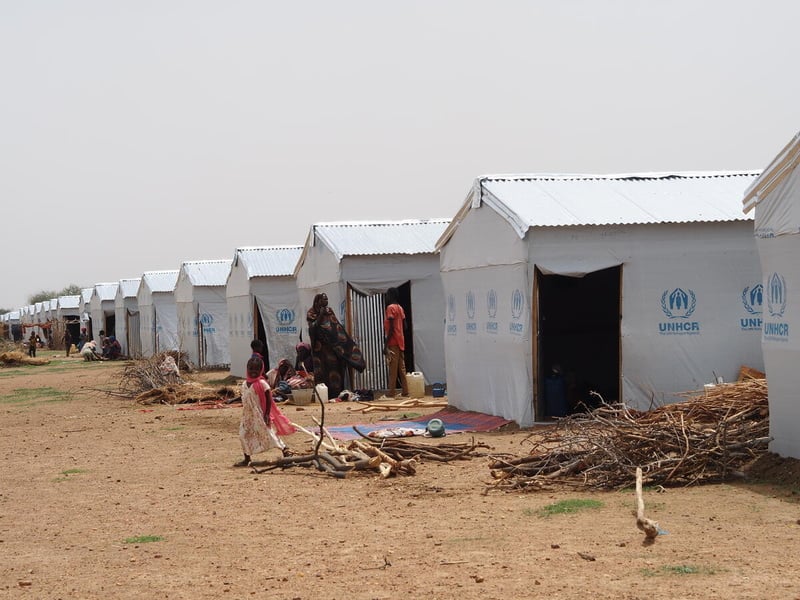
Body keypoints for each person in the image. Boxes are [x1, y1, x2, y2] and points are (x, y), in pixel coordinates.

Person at [235, 355, 294, 467]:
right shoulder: (244, 384)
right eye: (251, 369)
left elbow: (269, 399)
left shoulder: (262, 384)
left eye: (256, 369)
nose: (253, 372)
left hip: (260, 414)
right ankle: (247, 457)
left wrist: (267, 414)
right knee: (243, 435)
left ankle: (285, 450)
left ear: (261, 370)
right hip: (248, 415)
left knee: (269, 433)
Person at [306, 293, 366, 398]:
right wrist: (320, 315)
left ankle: (336, 395)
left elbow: (336, 328)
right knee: (322, 372)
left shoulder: (329, 311)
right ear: (318, 301)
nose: (326, 301)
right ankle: (324, 396)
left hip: (333, 348)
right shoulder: (312, 313)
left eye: (327, 299)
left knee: (335, 370)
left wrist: (343, 345)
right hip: (320, 350)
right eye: (324, 299)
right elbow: (312, 328)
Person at [383, 287, 409, 398]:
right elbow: (405, 326)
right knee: (402, 368)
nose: (386, 297)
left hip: (393, 341)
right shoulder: (400, 308)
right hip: (401, 341)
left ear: (391, 296)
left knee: (392, 368)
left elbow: (391, 328)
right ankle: (405, 391)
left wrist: (386, 344)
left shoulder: (390, 308)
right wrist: (400, 333)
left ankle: (392, 391)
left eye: (388, 295)